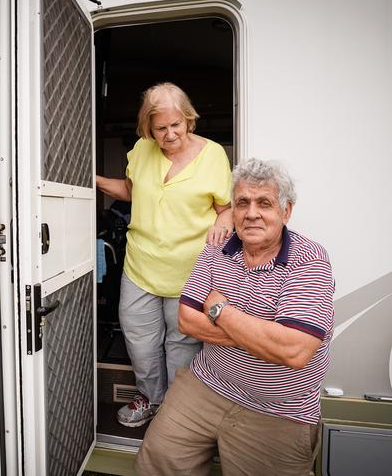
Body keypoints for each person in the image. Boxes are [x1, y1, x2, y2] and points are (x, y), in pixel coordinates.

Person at [135, 158, 334, 475]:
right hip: (205, 385)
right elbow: (186, 319)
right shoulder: (217, 247)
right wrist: (264, 336)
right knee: (157, 459)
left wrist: (219, 310)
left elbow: (294, 351)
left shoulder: (309, 259)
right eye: (242, 202)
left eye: (264, 203)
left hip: (279, 409)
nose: (251, 213)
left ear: (286, 211)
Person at [96, 83, 233, 427]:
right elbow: (130, 190)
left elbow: (226, 207)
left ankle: (176, 409)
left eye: (177, 125)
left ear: (188, 119)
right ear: (148, 128)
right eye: (161, 128)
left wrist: (222, 223)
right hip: (140, 265)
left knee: (182, 344)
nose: (170, 134)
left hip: (190, 270)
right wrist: (93, 180)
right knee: (140, 340)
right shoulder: (141, 151)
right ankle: (149, 397)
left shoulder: (212, 154)